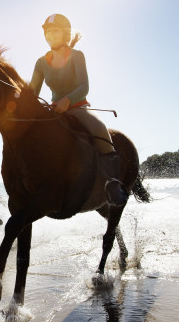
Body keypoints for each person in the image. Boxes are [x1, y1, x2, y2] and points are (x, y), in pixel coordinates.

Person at [29, 14, 128, 207]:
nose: (49, 35)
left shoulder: (77, 55)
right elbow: (32, 92)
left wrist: (67, 100)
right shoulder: (41, 62)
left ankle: (113, 183)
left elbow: (84, 86)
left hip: (78, 108)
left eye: (54, 31)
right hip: (54, 111)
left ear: (65, 34)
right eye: (46, 32)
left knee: (99, 128)